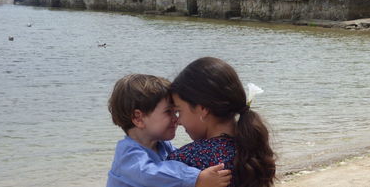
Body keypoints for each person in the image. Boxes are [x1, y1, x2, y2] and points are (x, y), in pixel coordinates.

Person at [107, 74, 231, 187]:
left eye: (176, 112)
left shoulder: (161, 145)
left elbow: (183, 161)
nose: (176, 119)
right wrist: (197, 178)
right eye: (168, 112)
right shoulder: (128, 154)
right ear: (138, 118)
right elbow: (152, 176)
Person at [168, 57, 276, 187]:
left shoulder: (186, 159)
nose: (178, 121)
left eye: (179, 111)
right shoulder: (253, 149)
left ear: (202, 109)